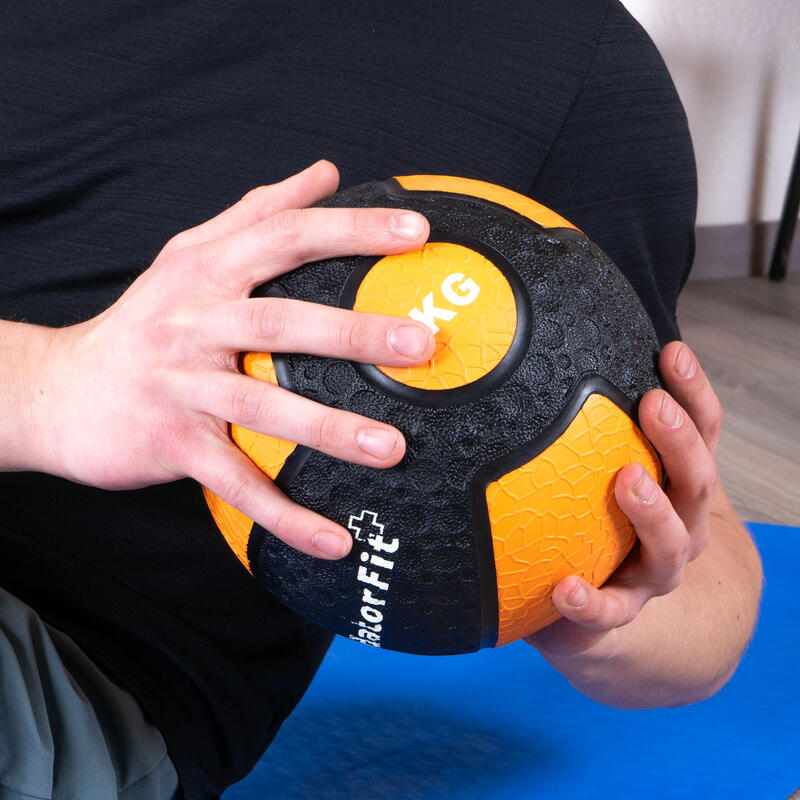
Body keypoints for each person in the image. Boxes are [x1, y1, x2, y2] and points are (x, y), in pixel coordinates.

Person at [0, 1, 762, 798]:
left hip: (64, 673)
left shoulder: (567, 61)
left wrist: (594, 592)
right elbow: (55, 385)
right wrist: (49, 383)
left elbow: (713, 583)